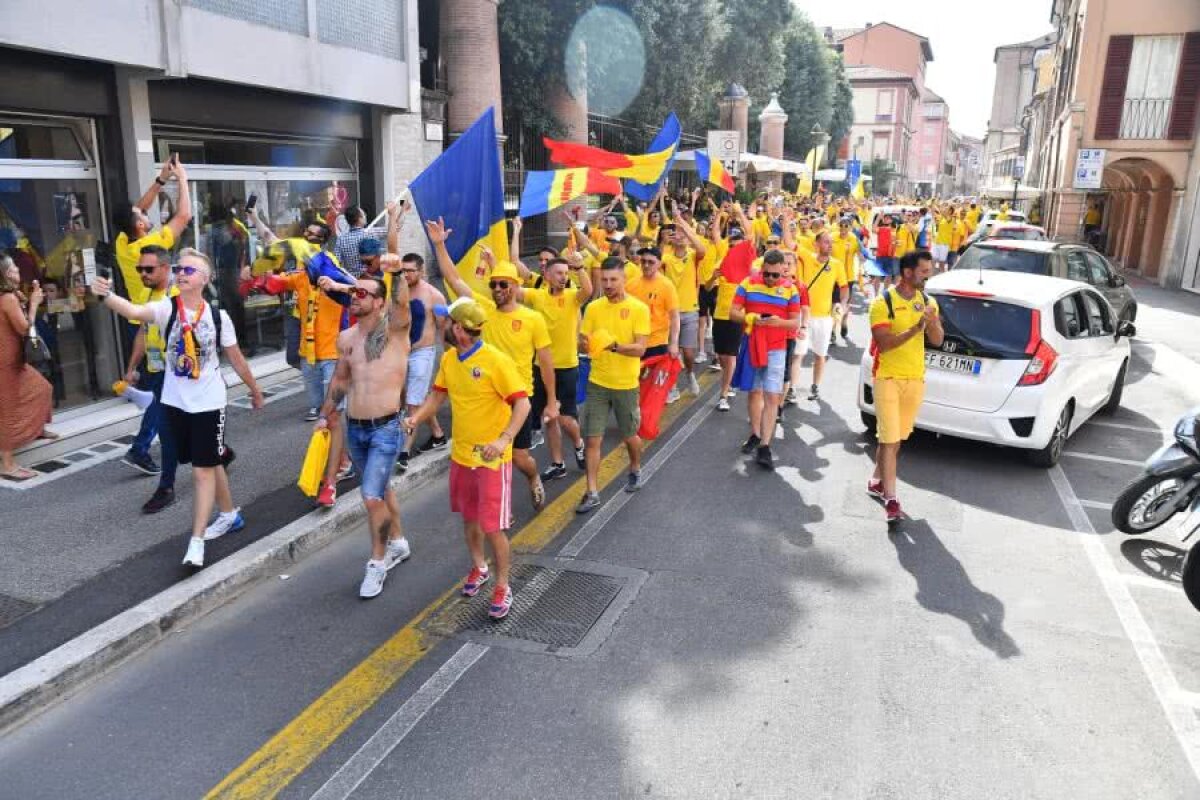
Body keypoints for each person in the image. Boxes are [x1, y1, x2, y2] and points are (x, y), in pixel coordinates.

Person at [91, 249, 264, 566]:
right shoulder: (166, 309)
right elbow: (132, 309)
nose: (182, 273)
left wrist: (254, 389)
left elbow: (236, 357)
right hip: (175, 404)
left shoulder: (217, 317)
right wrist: (106, 296)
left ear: (205, 279)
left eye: (190, 269)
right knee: (208, 462)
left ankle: (196, 541)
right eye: (180, 269)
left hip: (210, 403)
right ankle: (229, 515)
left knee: (202, 471)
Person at [404, 297, 531, 620]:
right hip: (462, 455)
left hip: (491, 460)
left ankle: (503, 586)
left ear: (459, 328)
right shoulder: (449, 359)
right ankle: (479, 567)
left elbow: (523, 405)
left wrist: (503, 440)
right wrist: (416, 419)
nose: (443, 324)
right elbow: (437, 397)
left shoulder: (495, 361)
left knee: (493, 528)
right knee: (469, 518)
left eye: (447, 321)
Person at [426, 217, 555, 513]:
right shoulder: (482, 308)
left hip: (518, 397)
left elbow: (545, 362)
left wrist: (551, 401)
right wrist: (439, 245)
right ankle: (497, 509)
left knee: (520, 458)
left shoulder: (533, 319)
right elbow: (455, 279)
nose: (497, 288)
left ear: (515, 285)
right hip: (487, 398)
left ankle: (534, 477)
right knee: (493, 458)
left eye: (503, 284)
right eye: (494, 284)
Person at [316, 255, 414, 597]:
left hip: (386, 428)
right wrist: (325, 414)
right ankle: (398, 542)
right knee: (382, 488)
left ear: (378, 301)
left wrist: (397, 271)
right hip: (354, 429)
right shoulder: (346, 338)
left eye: (362, 293)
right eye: (353, 292)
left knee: (371, 495)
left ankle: (377, 563)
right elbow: (341, 381)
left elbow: (402, 303)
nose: (355, 296)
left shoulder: (396, 331)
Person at [867, 250, 943, 523]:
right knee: (889, 440)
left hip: (915, 379)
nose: (928, 275)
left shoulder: (928, 301)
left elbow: (937, 339)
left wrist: (932, 322)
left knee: (894, 439)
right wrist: (915, 328)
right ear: (908, 272)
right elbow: (885, 343)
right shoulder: (882, 303)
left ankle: (876, 480)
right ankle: (892, 499)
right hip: (887, 377)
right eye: (924, 271)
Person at [576, 257, 650, 513]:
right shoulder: (594, 308)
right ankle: (592, 491)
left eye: (613, 280)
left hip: (626, 385)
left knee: (630, 435)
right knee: (593, 439)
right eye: (604, 279)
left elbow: (640, 349)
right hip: (597, 382)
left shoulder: (639, 309)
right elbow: (583, 341)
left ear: (624, 280)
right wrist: (585, 345)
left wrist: (614, 346)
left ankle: (636, 467)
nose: (607, 284)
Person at [729, 250, 807, 469]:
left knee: (772, 396)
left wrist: (776, 322)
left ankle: (765, 445)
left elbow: (794, 323)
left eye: (775, 275)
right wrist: (749, 317)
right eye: (766, 274)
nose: (771, 279)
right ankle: (755, 433)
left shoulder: (791, 289)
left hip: (776, 349)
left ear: (783, 269)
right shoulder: (747, 283)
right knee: (754, 392)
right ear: (761, 269)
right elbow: (732, 312)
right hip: (753, 346)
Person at [520, 253, 591, 480]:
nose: (563, 277)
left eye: (565, 273)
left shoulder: (572, 296)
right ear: (547, 275)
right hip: (540, 367)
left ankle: (578, 444)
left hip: (567, 367)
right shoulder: (537, 296)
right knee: (549, 417)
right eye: (559, 273)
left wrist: (579, 267)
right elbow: (513, 289)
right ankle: (558, 463)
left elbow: (588, 290)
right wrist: (494, 264)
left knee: (564, 418)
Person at [113, 157, 192, 353]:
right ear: (139, 225)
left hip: (139, 319)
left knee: (150, 371)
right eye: (143, 215)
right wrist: (182, 178)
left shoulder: (122, 243)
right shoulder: (151, 245)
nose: (145, 213)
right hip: (163, 317)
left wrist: (162, 179)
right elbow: (184, 216)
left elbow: (138, 209)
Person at [120, 245, 177, 492]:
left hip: (180, 364)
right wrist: (131, 367)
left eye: (149, 269)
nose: (143, 274)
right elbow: (142, 335)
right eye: (140, 269)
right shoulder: (145, 295)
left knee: (165, 409)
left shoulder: (179, 292)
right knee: (160, 408)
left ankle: (141, 449)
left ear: (165, 268)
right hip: (157, 364)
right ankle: (140, 449)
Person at [0, 256, 55, 481]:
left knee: (42, 388)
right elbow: (24, 329)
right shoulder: (7, 298)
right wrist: (32, 304)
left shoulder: (10, 296)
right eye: (12, 270)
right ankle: (8, 464)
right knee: (9, 410)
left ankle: (37, 428)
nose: (17, 272)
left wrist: (25, 300)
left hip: (12, 360)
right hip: (6, 362)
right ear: (3, 274)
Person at [661, 209, 707, 400]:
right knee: (671, 353)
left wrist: (683, 225)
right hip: (670, 312)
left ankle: (689, 374)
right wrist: (665, 239)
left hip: (690, 310)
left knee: (688, 353)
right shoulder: (666, 257)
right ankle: (672, 387)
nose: (679, 237)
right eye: (676, 234)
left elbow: (700, 247)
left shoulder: (693, 255)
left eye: (683, 234)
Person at [625, 246, 680, 363]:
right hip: (634, 342)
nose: (646, 265)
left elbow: (674, 316)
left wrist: (674, 343)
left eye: (651, 262)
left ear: (659, 264)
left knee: (653, 381)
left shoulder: (667, 286)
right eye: (643, 261)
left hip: (657, 343)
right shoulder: (630, 285)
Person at [333, 205, 389, 277]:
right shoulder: (371, 232)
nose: (365, 216)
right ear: (359, 218)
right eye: (363, 214)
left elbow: (336, 262)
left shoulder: (341, 239)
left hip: (352, 280)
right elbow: (394, 229)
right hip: (372, 278)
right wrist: (401, 209)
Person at [830, 217, 861, 345]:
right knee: (834, 304)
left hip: (848, 278)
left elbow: (861, 254)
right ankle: (832, 330)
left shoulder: (853, 239)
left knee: (845, 304)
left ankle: (844, 323)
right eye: (841, 226)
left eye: (846, 226)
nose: (843, 229)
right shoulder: (832, 238)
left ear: (850, 227)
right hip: (834, 277)